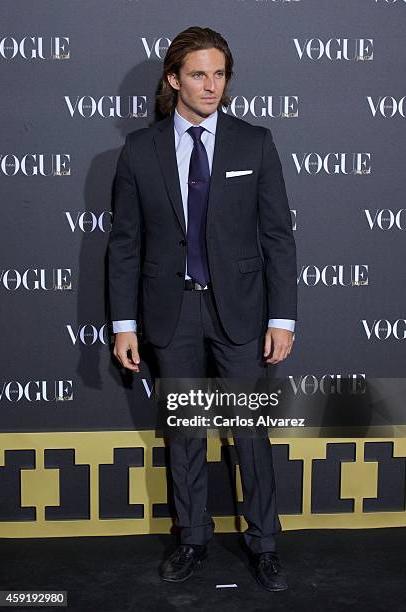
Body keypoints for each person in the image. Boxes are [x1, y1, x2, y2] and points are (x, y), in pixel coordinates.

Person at [107, 26, 297, 593]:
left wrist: (281, 318)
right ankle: (192, 538)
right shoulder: (141, 150)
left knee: (249, 434)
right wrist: (124, 325)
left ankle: (263, 544)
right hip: (172, 314)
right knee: (186, 436)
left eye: (219, 74)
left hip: (240, 312)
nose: (211, 85)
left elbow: (278, 237)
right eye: (198, 74)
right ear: (174, 79)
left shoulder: (254, 142)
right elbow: (125, 243)